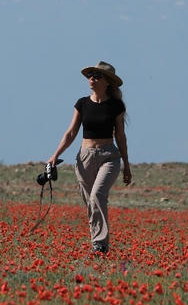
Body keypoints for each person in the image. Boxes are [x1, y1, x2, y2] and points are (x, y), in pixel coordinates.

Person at [48, 61, 132, 255]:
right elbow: (70, 133)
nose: (91, 79)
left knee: (97, 196)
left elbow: (120, 136)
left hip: (109, 156)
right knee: (90, 202)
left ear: (107, 82)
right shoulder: (82, 103)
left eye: (96, 76)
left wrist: (126, 165)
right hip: (85, 157)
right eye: (90, 76)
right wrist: (55, 155)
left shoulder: (115, 106)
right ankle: (97, 242)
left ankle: (100, 244)